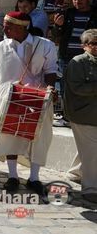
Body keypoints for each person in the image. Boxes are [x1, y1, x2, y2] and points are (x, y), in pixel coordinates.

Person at [0, 11, 57, 198]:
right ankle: (12, 176)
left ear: (23, 27)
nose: (4, 28)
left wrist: (51, 88)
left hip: (38, 100)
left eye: (9, 25)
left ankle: (34, 178)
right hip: (7, 100)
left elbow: (51, 70)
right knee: (8, 136)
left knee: (38, 138)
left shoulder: (45, 45)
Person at [52, 0, 97, 127]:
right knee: (65, 87)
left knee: (86, 88)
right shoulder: (68, 13)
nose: (77, 2)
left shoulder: (96, 13)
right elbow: (56, 36)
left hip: (89, 59)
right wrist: (57, 26)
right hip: (67, 57)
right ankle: (67, 117)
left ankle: (83, 117)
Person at [63, 28, 97, 203]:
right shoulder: (78, 62)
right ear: (84, 46)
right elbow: (77, 88)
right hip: (82, 113)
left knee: (89, 147)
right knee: (92, 150)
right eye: (94, 44)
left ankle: (76, 172)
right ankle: (90, 188)